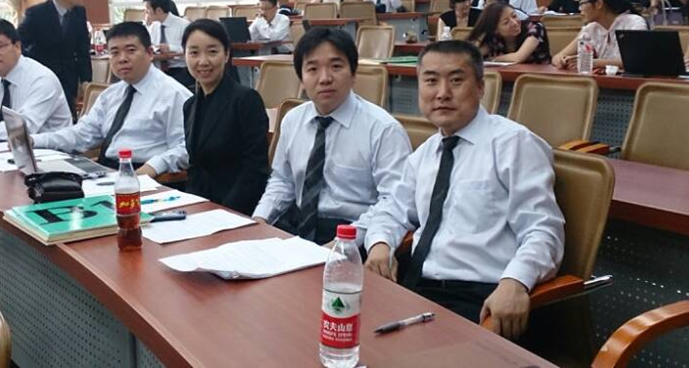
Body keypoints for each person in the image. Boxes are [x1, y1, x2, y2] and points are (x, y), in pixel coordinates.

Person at [364, 40, 565, 336]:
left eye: (456, 81)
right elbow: (392, 210)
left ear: (481, 87)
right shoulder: (426, 153)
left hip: (482, 299)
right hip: (415, 289)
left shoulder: (513, 144)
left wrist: (516, 281)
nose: (442, 93)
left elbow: (543, 230)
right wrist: (380, 243)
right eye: (431, 81)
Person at [252, 27, 411, 246]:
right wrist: (260, 219)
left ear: (354, 74)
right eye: (312, 69)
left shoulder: (383, 129)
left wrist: (345, 242)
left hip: (354, 232)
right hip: (298, 227)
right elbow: (283, 181)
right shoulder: (292, 120)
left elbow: (394, 200)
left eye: (336, 67)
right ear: (301, 79)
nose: (325, 78)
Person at [33, 22, 190, 176]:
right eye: (115, 53)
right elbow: (82, 135)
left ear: (149, 53)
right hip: (106, 171)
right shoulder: (111, 94)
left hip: (146, 174)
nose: (122, 59)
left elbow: (186, 147)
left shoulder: (173, 94)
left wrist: (153, 167)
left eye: (130, 51)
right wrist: (33, 141)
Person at [183, 20, 269, 215]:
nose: (203, 61)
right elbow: (195, 167)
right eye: (194, 53)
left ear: (227, 54)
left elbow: (255, 169)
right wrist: (190, 210)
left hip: (237, 210)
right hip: (201, 209)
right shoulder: (189, 106)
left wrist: (224, 213)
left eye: (212, 52)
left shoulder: (246, 100)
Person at [18, 0, 92, 116]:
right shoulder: (36, 13)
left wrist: (85, 79)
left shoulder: (79, 13)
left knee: (68, 116)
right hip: (42, 76)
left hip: (69, 77)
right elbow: (19, 43)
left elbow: (83, 49)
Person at [552, 0, 647, 71]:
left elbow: (636, 61)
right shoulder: (590, 28)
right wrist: (562, 61)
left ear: (599, 4)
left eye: (582, 3)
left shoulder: (634, 23)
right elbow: (558, 57)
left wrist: (594, 62)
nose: (580, 9)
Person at [468, 2, 551, 64]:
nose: (514, 23)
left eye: (514, 16)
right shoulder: (494, 39)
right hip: (505, 77)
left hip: (536, 78)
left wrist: (492, 59)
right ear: (495, 30)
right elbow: (472, 56)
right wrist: (482, 35)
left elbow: (518, 57)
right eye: (506, 22)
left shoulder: (534, 27)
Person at [143, 0, 194, 89]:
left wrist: (170, 48)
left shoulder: (183, 25)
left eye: (147, 10)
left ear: (158, 10)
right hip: (158, 70)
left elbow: (191, 50)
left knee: (165, 87)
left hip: (180, 69)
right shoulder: (153, 26)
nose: (146, 13)